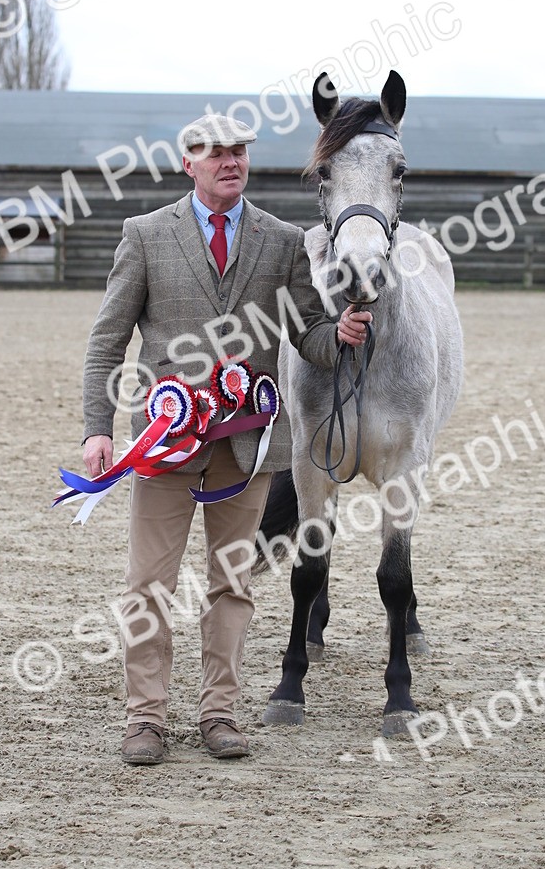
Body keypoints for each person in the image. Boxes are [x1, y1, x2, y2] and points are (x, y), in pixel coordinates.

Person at [81, 113, 371, 765]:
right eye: (215, 152)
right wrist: (97, 432)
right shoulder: (146, 235)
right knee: (148, 585)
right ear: (189, 162)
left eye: (239, 151)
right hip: (166, 443)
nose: (230, 161)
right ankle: (146, 719)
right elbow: (106, 342)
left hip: (249, 447)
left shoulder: (283, 240)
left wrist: (342, 335)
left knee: (231, 585)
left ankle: (220, 713)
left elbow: (310, 340)